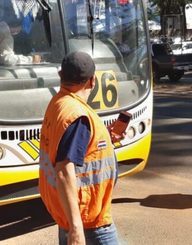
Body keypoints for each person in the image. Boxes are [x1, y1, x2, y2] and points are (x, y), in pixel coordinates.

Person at [39, 51, 124, 244]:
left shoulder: (59, 103)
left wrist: (106, 138)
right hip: (89, 221)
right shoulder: (77, 115)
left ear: (61, 76)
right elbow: (63, 171)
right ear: (92, 81)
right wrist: (76, 229)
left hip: (70, 213)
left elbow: (71, 147)